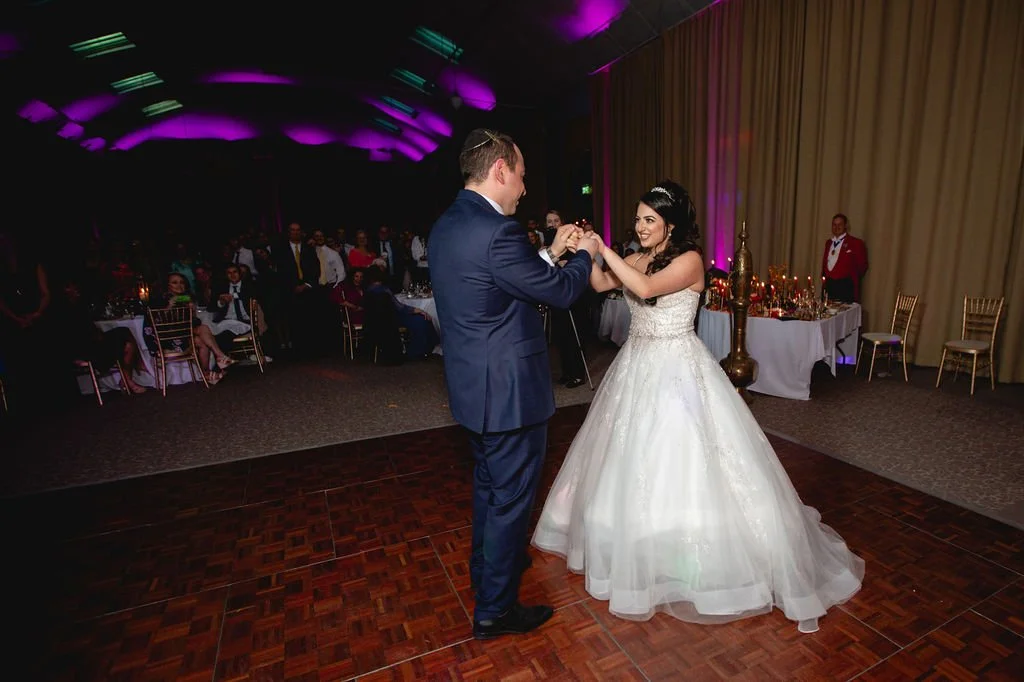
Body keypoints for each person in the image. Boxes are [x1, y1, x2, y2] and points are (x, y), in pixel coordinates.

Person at [532, 180, 864, 634]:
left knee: (684, 457)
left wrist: (603, 247)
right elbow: (600, 282)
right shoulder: (636, 255)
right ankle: (639, 546)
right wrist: (584, 251)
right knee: (630, 460)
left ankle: (696, 553)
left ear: (672, 225)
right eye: (638, 218)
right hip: (636, 365)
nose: (641, 226)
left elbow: (646, 289)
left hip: (677, 368)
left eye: (649, 219)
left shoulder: (690, 261)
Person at [428, 128, 602, 640]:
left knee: (489, 489)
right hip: (509, 393)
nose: (524, 189)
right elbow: (559, 293)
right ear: (500, 169)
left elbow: (502, 285)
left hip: (473, 388)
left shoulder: (448, 225)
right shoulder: (498, 231)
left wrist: (549, 250)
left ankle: (487, 571)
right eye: (521, 176)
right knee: (510, 503)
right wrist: (584, 255)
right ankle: (494, 611)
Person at [820, 213, 868, 303]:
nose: (836, 227)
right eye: (834, 224)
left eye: (840, 224)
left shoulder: (856, 243)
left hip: (846, 287)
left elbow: (862, 266)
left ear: (845, 226)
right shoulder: (828, 243)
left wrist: (848, 278)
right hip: (829, 286)